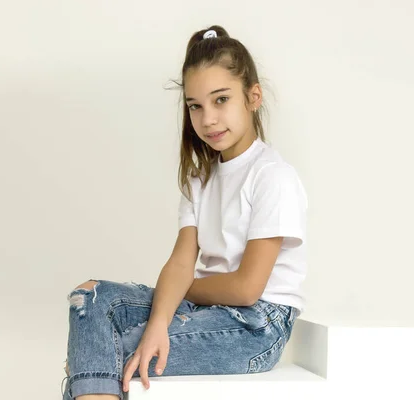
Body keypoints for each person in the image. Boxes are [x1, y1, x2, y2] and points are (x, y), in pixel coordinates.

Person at [61, 24, 308, 400]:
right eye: (195, 106)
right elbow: (180, 263)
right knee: (90, 298)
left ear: (253, 96)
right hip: (207, 305)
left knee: (112, 354)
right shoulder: (201, 180)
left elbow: (246, 288)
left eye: (221, 100)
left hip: (258, 324)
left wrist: (177, 293)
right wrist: (162, 316)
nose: (207, 118)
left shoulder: (273, 176)